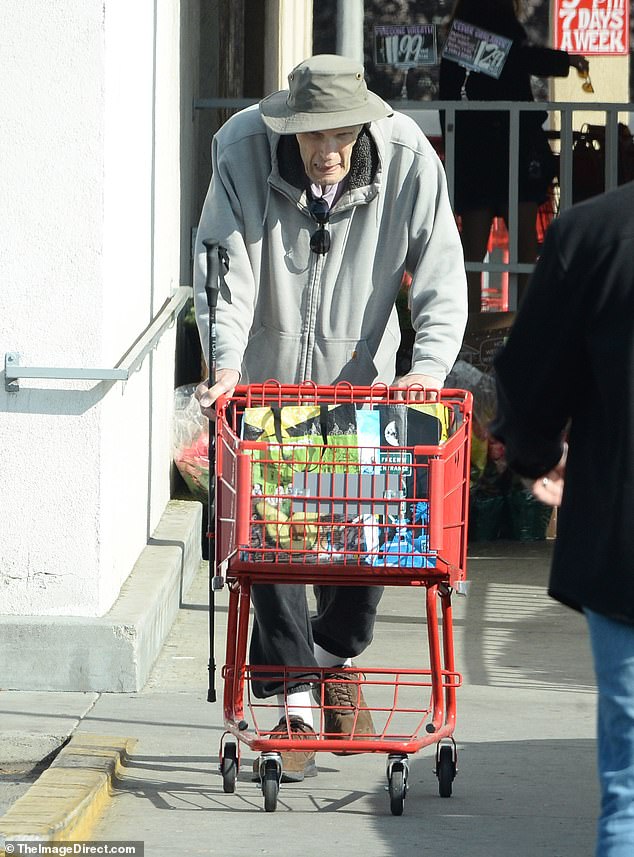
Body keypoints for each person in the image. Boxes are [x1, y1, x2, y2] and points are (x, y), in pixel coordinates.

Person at [194, 54, 468, 783]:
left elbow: (441, 269)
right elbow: (225, 265)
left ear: (364, 124)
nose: (326, 151)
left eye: (340, 135)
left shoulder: (409, 157)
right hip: (269, 386)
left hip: (365, 392)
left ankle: (328, 659)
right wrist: (224, 362)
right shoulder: (242, 147)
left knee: (370, 551)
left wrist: (426, 370)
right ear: (287, 125)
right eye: (312, 136)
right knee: (273, 543)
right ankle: (299, 704)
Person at [490, 180, 634, 857]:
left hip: (623, 544)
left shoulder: (594, 234)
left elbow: (534, 371)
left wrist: (534, 451)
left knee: (629, 793)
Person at [439, 0, 589, 318]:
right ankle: (523, 325)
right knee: (521, 247)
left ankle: (472, 329)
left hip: (475, 150)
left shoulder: (461, 36)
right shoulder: (498, 29)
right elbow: (517, 59)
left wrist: (453, 145)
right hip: (514, 145)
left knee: (474, 251)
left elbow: (448, 95)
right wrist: (565, 61)